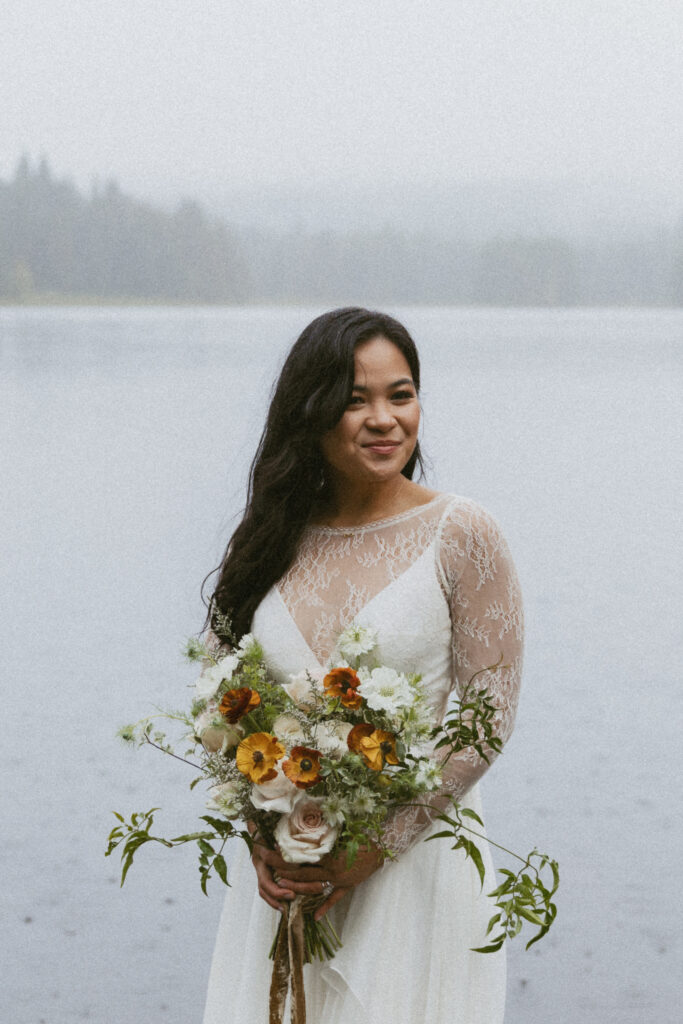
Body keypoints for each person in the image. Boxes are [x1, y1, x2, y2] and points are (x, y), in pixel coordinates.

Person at [201, 307, 524, 1024]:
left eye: (399, 395)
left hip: (414, 872)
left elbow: (484, 721)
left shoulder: (461, 533)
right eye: (354, 400)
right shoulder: (268, 538)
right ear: (309, 412)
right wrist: (261, 840)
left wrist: (373, 849)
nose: (383, 419)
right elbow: (219, 701)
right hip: (294, 871)